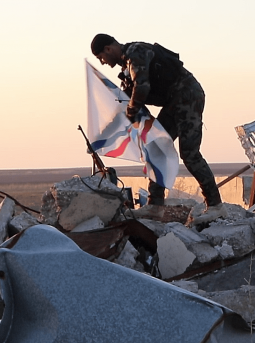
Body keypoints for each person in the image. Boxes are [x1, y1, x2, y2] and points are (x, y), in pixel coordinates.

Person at [90, 33, 226, 225]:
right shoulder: (127, 70)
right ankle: (155, 206)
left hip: (187, 95)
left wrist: (131, 109)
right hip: (174, 101)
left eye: (101, 58)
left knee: (190, 154)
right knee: (156, 147)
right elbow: (123, 107)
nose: (103, 63)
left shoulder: (135, 52)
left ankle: (215, 206)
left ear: (108, 49)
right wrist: (102, 137)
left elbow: (142, 87)